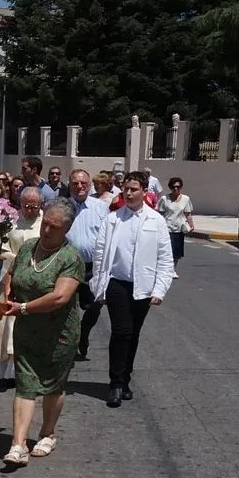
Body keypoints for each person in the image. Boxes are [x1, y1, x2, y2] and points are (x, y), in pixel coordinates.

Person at [1, 199, 83, 464]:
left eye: (54, 227)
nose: (46, 230)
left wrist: (24, 307)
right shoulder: (28, 247)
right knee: (25, 384)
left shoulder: (71, 258)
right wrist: (8, 294)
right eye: (45, 223)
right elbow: (11, 274)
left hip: (58, 333)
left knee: (52, 385)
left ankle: (47, 433)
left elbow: (60, 297)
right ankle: (18, 444)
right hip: (27, 329)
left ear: (66, 230)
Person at [91, 171, 174, 408]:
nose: (128, 193)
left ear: (145, 191)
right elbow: (100, 254)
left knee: (133, 334)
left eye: (134, 189)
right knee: (121, 332)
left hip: (143, 287)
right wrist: (100, 287)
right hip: (117, 283)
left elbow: (165, 258)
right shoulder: (113, 219)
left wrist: (159, 290)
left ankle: (125, 379)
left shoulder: (156, 220)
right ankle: (116, 383)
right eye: (126, 189)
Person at [0, 187, 43, 384]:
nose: (29, 210)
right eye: (26, 206)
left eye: (34, 206)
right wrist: (16, 263)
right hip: (11, 279)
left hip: (37, 279)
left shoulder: (46, 222)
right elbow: (0, 249)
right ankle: (7, 370)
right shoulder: (10, 222)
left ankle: (31, 369)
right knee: (8, 323)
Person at [65, 170, 110, 361]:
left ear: (89, 185)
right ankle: (70, 342)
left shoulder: (101, 207)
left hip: (94, 266)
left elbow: (109, 236)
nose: (79, 186)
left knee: (95, 304)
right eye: (75, 183)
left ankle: (84, 332)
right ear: (70, 185)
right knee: (67, 307)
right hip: (68, 266)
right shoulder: (62, 207)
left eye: (83, 183)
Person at [157, 177, 195, 279]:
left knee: (176, 252)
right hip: (166, 228)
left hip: (179, 228)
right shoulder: (164, 199)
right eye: (173, 187)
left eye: (178, 187)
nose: (176, 189)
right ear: (170, 187)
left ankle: (173, 269)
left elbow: (188, 213)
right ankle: (163, 269)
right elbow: (160, 214)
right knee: (166, 250)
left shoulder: (186, 199)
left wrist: (191, 225)